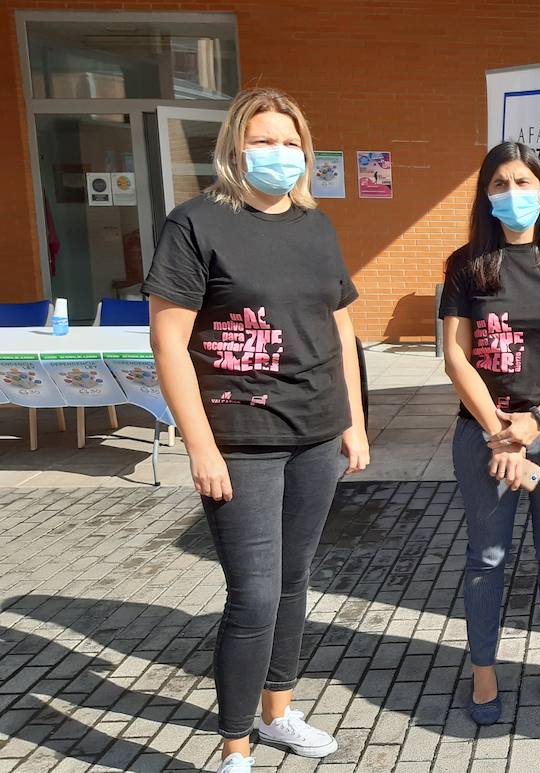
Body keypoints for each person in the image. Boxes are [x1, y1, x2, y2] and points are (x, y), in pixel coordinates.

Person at [145, 87, 368, 773]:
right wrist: (201, 444)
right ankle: (235, 747)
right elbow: (168, 340)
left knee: (296, 579)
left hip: (316, 435)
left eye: (289, 141)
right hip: (240, 440)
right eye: (263, 141)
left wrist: (355, 423)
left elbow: (342, 324)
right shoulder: (195, 224)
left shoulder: (315, 225)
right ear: (235, 148)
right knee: (255, 594)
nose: (278, 154)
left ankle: (279, 712)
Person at [439, 141, 540, 726]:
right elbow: (455, 358)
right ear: (486, 195)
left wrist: (534, 424)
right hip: (484, 436)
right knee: (486, 558)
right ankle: (483, 671)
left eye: (525, 182)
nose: (514, 194)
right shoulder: (466, 265)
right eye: (501, 184)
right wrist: (501, 433)